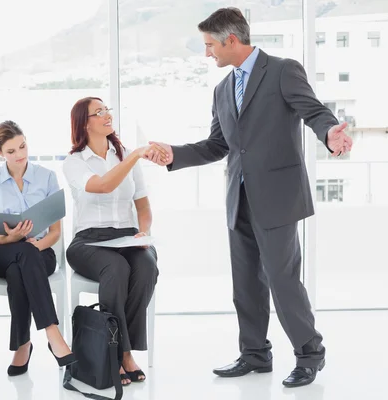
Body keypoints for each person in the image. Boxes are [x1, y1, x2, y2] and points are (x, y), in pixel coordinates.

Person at [146, 7, 353, 388]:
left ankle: (310, 354)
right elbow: (216, 145)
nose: (208, 53)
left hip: (277, 197)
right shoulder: (223, 89)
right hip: (237, 198)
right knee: (246, 283)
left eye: (210, 45)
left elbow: (314, 111)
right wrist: (174, 154)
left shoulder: (282, 70)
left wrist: (329, 135)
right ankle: (255, 354)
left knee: (282, 278)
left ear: (231, 40)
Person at [63, 97, 166, 385]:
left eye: (107, 109)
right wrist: (133, 156)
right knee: (116, 269)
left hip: (125, 236)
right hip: (88, 241)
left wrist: (143, 232)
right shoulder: (74, 162)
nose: (107, 115)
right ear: (85, 124)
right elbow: (103, 185)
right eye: (99, 112)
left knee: (147, 266)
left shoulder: (126, 155)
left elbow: (143, 208)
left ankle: (121, 351)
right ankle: (118, 351)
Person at [0, 120, 76, 376]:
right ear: (0, 153)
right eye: (11, 151)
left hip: (41, 251)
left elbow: (55, 233)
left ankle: (23, 345)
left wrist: (36, 243)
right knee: (21, 255)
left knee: (20, 267)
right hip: (1, 252)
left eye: (22, 146)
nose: (20, 155)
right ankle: (53, 334)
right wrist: (13, 237)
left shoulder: (47, 177)